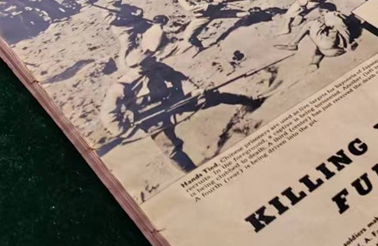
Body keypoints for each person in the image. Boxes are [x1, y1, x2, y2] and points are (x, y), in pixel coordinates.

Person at [98, 55, 262, 172]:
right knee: (171, 148)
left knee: (211, 96)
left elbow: (178, 77)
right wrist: (126, 130)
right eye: (149, 60)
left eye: (152, 58)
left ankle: (252, 101)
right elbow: (108, 114)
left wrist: (194, 90)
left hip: (172, 100)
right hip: (151, 116)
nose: (154, 60)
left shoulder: (157, 66)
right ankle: (194, 175)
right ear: (137, 66)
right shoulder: (121, 87)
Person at [178, 0, 249, 55]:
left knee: (241, 14)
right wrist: (208, 5)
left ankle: (250, 16)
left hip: (214, 11)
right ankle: (199, 47)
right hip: (202, 17)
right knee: (188, 36)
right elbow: (189, 8)